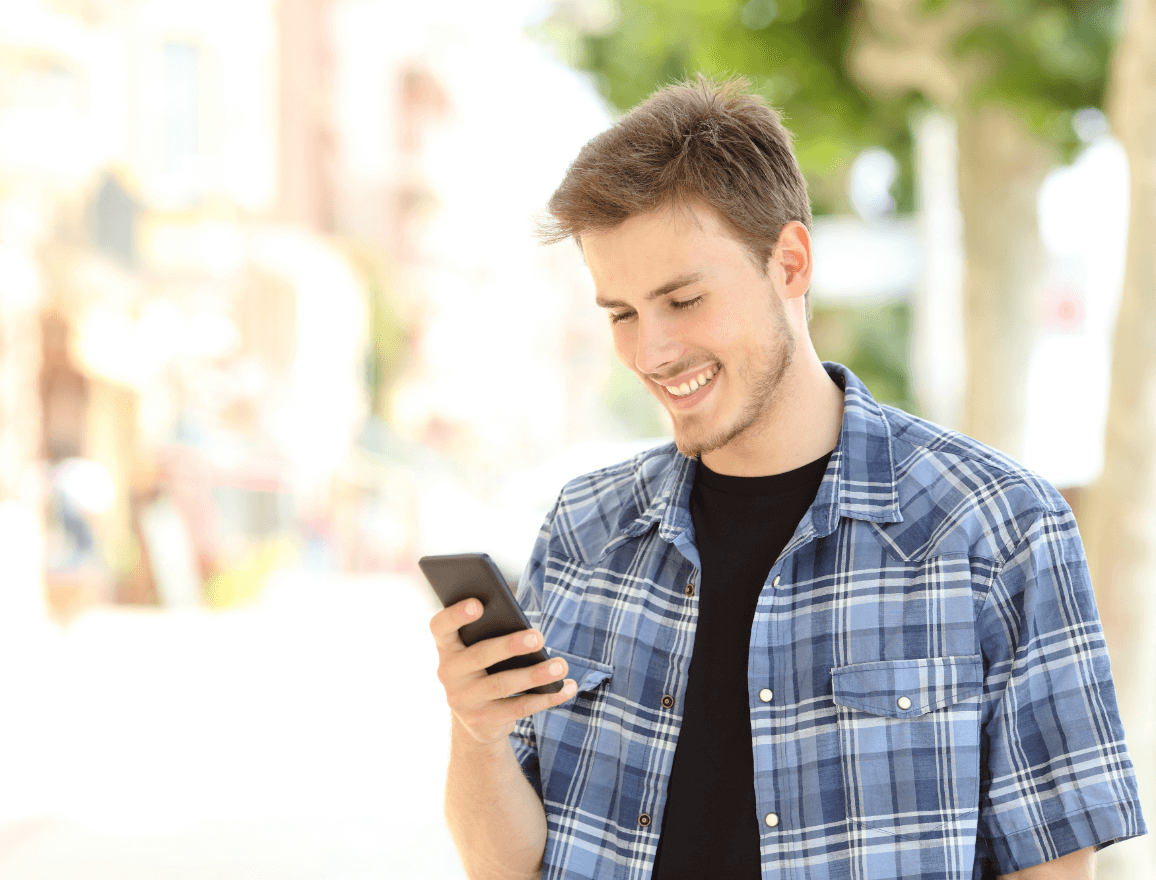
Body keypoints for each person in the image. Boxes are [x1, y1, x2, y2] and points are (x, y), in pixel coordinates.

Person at [428, 75, 1145, 880]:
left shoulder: (998, 528)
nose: (650, 352)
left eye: (684, 300)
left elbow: (1051, 867)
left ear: (791, 262)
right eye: (622, 313)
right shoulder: (585, 528)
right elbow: (507, 868)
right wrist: (478, 731)